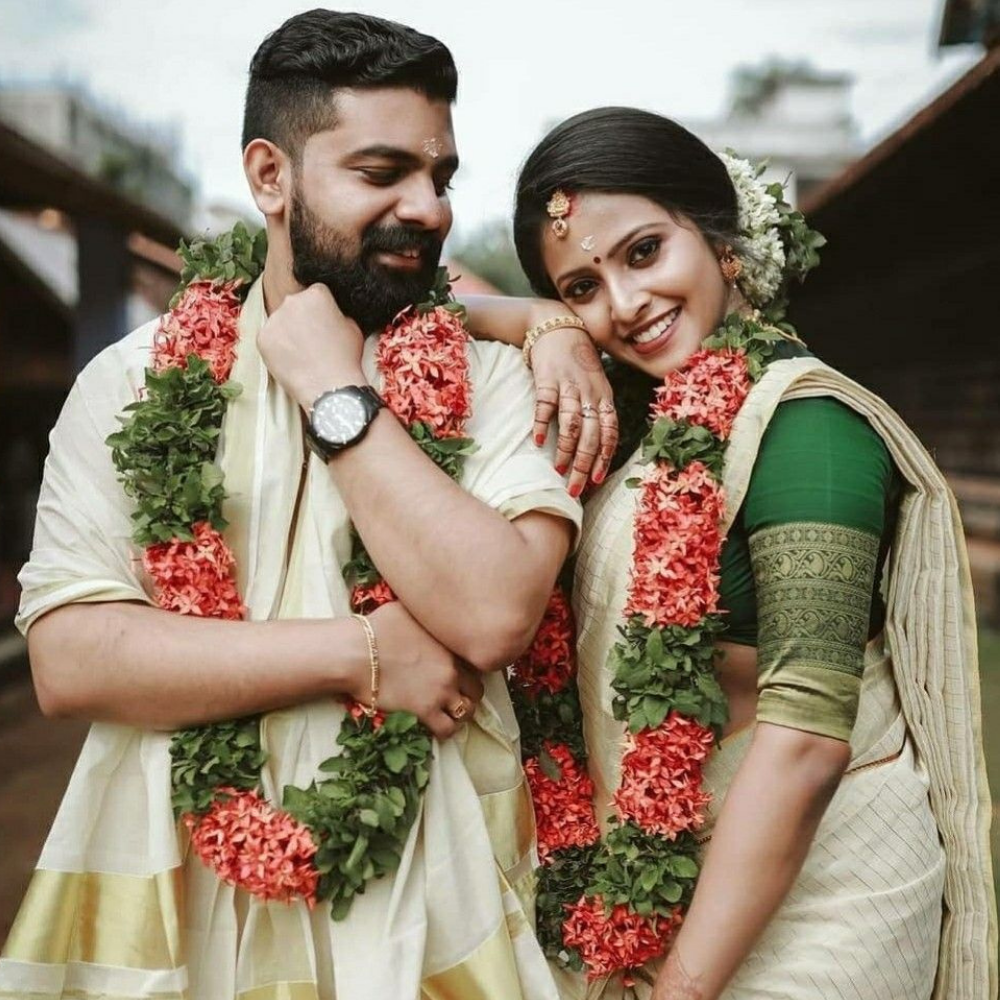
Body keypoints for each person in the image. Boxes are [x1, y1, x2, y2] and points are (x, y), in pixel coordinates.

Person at [0, 12, 586, 1000]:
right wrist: (362, 654)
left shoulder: (494, 378)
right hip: (177, 891)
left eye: (440, 176)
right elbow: (70, 657)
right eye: (382, 171)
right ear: (270, 176)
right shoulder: (132, 381)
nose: (428, 208)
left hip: (424, 892)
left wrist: (334, 391)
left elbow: (493, 612)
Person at [461, 107, 997, 999]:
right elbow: (427, 309)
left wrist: (680, 991)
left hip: (829, 903)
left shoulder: (810, 427)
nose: (624, 305)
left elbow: (804, 745)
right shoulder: (637, 426)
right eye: (582, 287)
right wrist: (542, 325)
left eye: (643, 252)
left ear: (720, 239)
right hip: (679, 890)